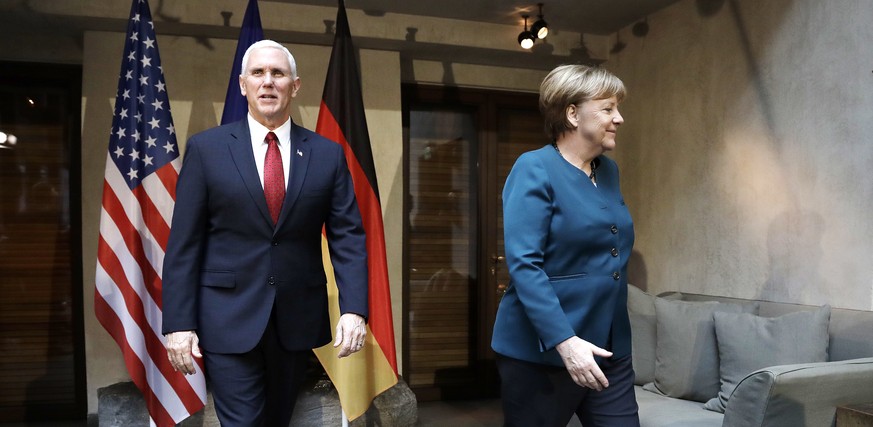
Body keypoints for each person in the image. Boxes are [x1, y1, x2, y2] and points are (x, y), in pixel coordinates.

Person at [161, 39, 369, 426]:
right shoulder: (207, 149)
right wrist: (178, 323)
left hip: (295, 318)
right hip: (226, 317)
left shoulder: (327, 154)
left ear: (295, 85)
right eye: (258, 73)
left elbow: (348, 236)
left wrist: (354, 309)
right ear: (243, 85)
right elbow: (184, 245)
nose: (267, 82)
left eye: (278, 73)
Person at [491, 64, 638, 427]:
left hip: (608, 345)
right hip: (542, 353)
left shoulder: (608, 171)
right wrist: (565, 341)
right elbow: (525, 263)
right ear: (572, 114)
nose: (618, 118)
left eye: (617, 108)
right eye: (607, 108)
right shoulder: (534, 168)